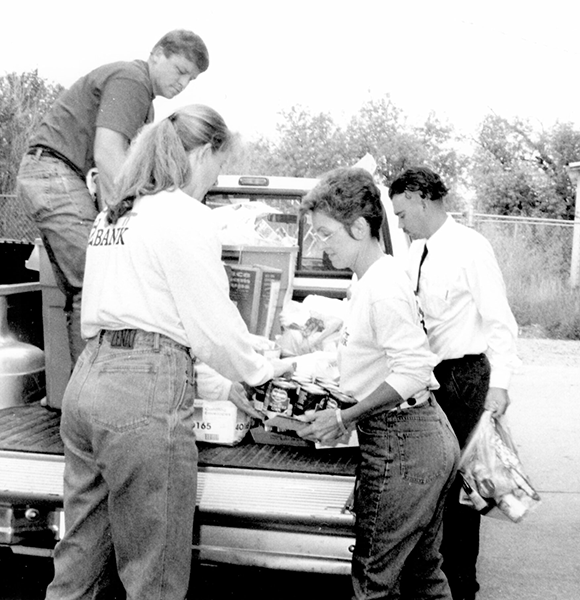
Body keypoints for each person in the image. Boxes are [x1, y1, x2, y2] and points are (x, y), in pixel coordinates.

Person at [44, 104, 292, 600]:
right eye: (218, 166)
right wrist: (261, 371)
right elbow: (212, 328)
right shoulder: (185, 216)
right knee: (154, 573)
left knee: (79, 562)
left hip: (88, 380)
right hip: (143, 390)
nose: (215, 180)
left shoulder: (114, 214)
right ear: (202, 153)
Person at [298, 167, 460, 600]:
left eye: (325, 233)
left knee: (373, 579)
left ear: (358, 227)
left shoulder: (383, 286)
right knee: (423, 573)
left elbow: (413, 372)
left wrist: (343, 417)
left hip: (404, 440)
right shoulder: (369, 280)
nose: (320, 244)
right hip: (418, 439)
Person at [16, 29, 209, 366]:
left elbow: (116, 168)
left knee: (83, 290)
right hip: (54, 172)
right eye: (180, 70)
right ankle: (90, 397)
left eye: (191, 79)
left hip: (52, 176)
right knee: (98, 281)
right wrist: (131, 220)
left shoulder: (144, 102)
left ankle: (76, 398)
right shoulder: (132, 79)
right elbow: (108, 154)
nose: (183, 84)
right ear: (156, 55)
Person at [388, 167, 520, 600]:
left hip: (464, 378)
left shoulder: (469, 248)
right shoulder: (417, 251)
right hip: (432, 378)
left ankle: (463, 589)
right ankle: (435, 584)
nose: (401, 224)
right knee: (434, 489)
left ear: (421, 197)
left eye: (403, 213)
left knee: (464, 495)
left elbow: (501, 322)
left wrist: (499, 386)